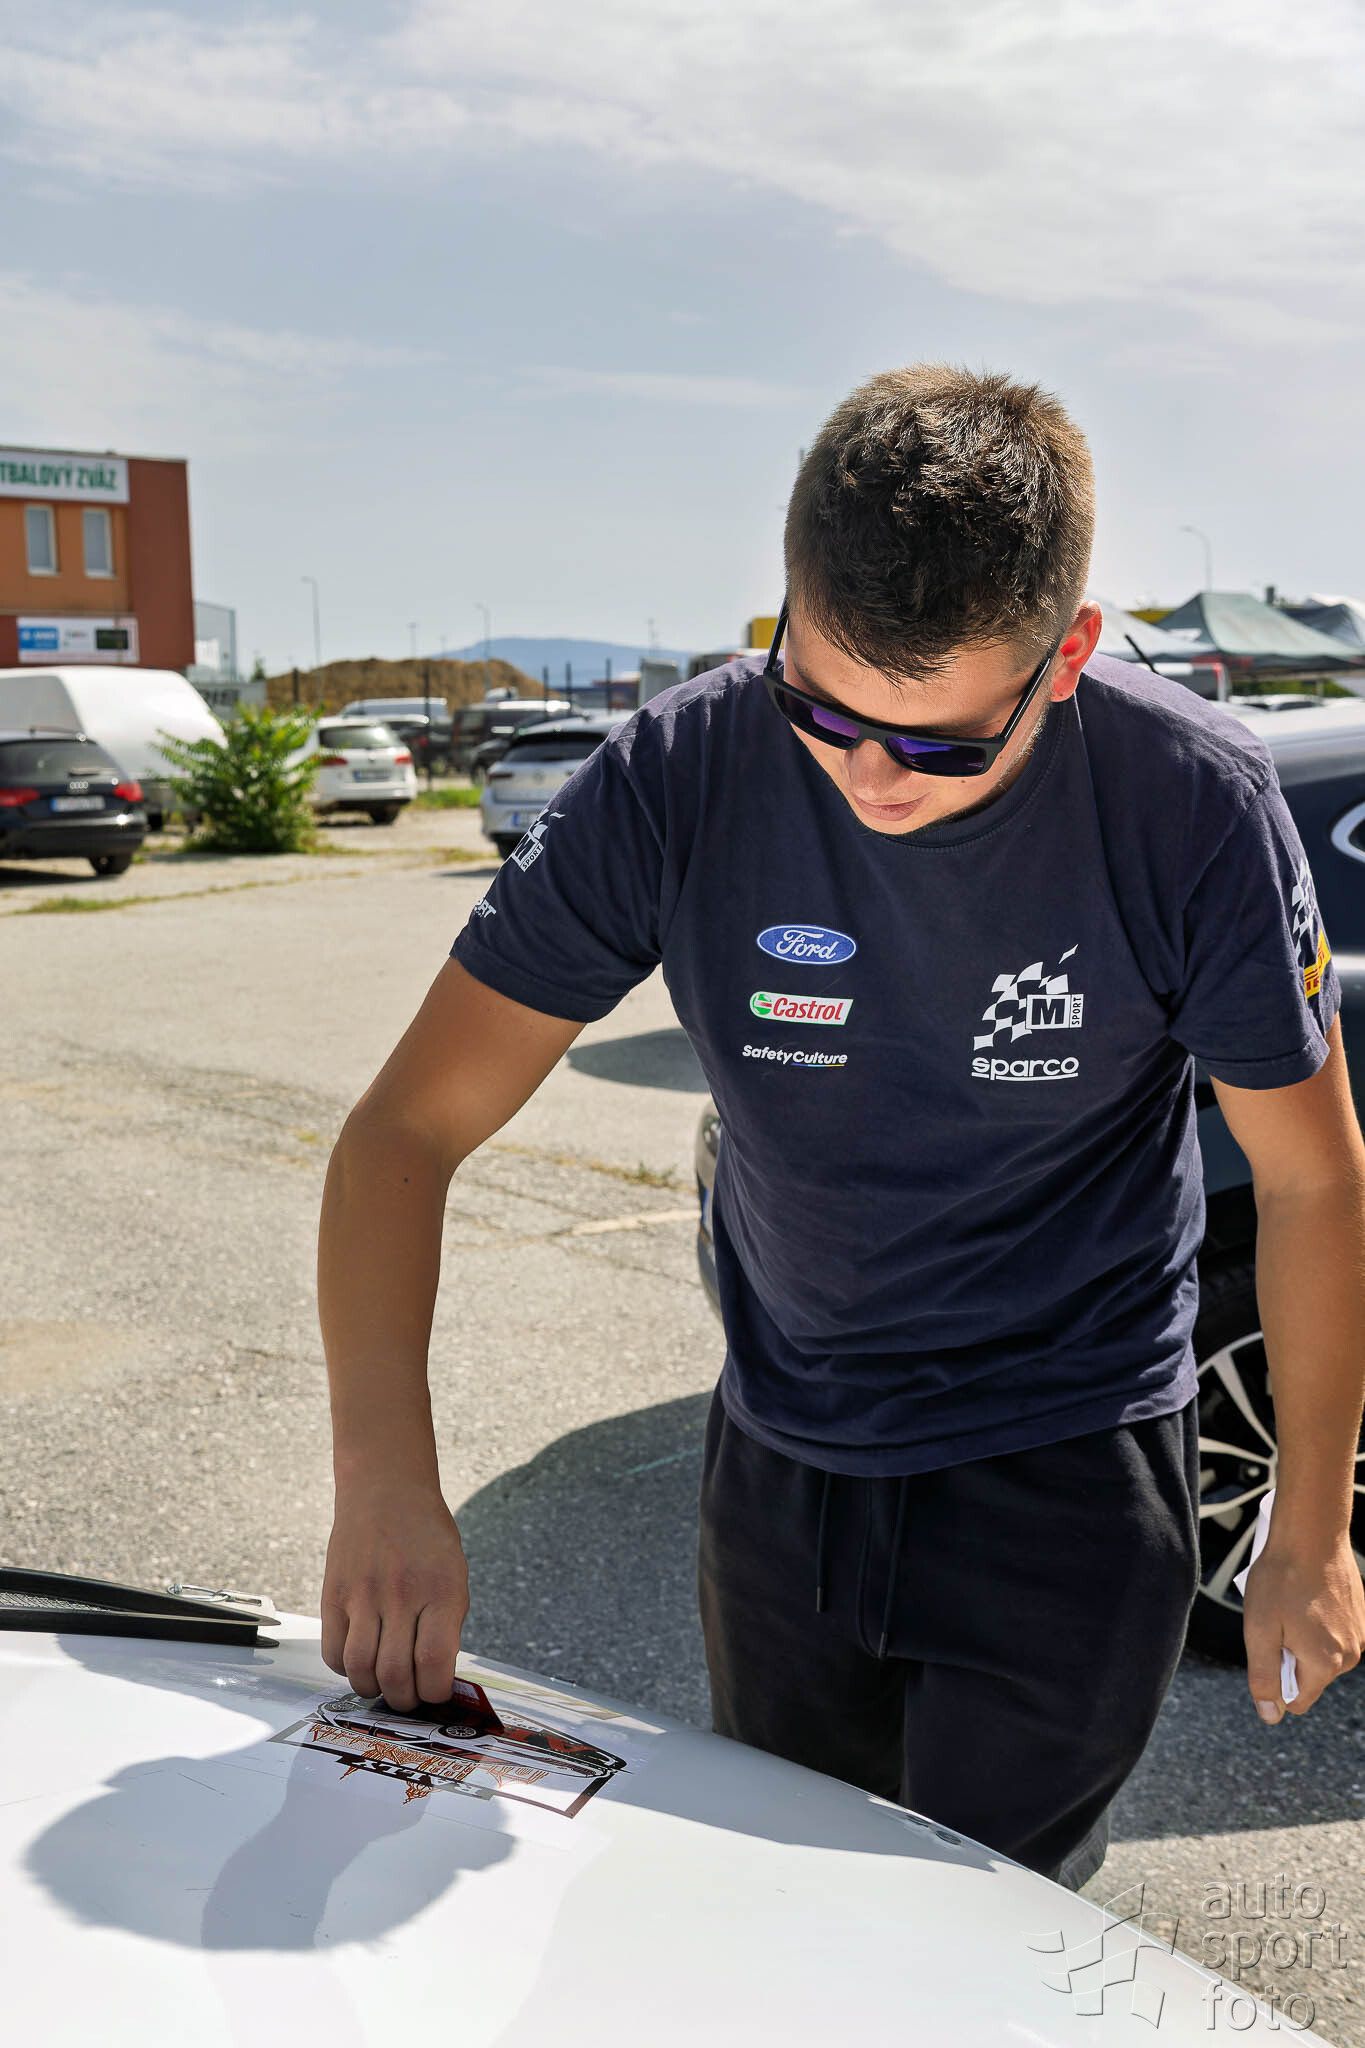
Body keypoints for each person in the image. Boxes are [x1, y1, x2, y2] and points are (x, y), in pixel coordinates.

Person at [318, 365, 1365, 1890]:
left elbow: (1312, 1178)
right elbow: (402, 1137)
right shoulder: (676, 771)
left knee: (975, 1931)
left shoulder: (1189, 800)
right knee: (782, 1906)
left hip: (1068, 1458)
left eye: (940, 744)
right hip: (783, 1462)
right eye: (817, 709)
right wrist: (383, 1485)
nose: (869, 778)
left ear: (1066, 656)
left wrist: (1308, 1528)